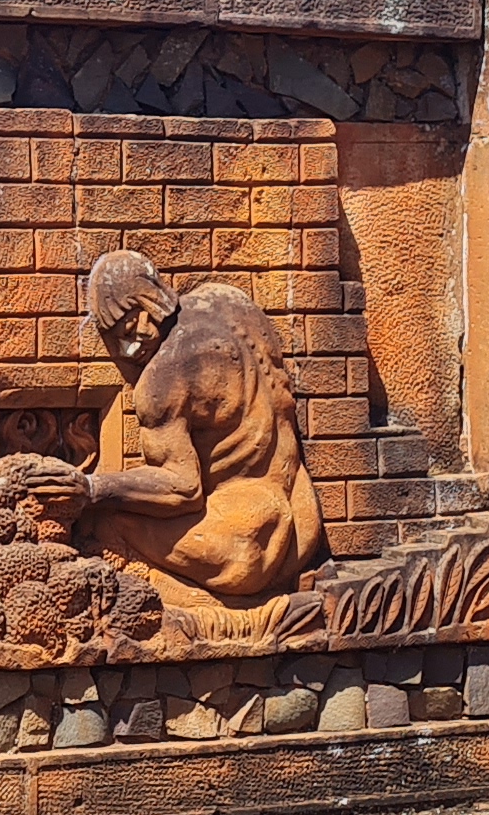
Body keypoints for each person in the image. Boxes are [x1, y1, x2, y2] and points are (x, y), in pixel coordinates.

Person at [19, 250, 327, 604]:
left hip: (249, 543)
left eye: (129, 327)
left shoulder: (161, 381)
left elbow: (183, 488)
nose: (129, 346)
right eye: (118, 336)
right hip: (302, 517)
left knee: (100, 527)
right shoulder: (227, 300)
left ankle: (191, 611)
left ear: (149, 304)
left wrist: (92, 487)